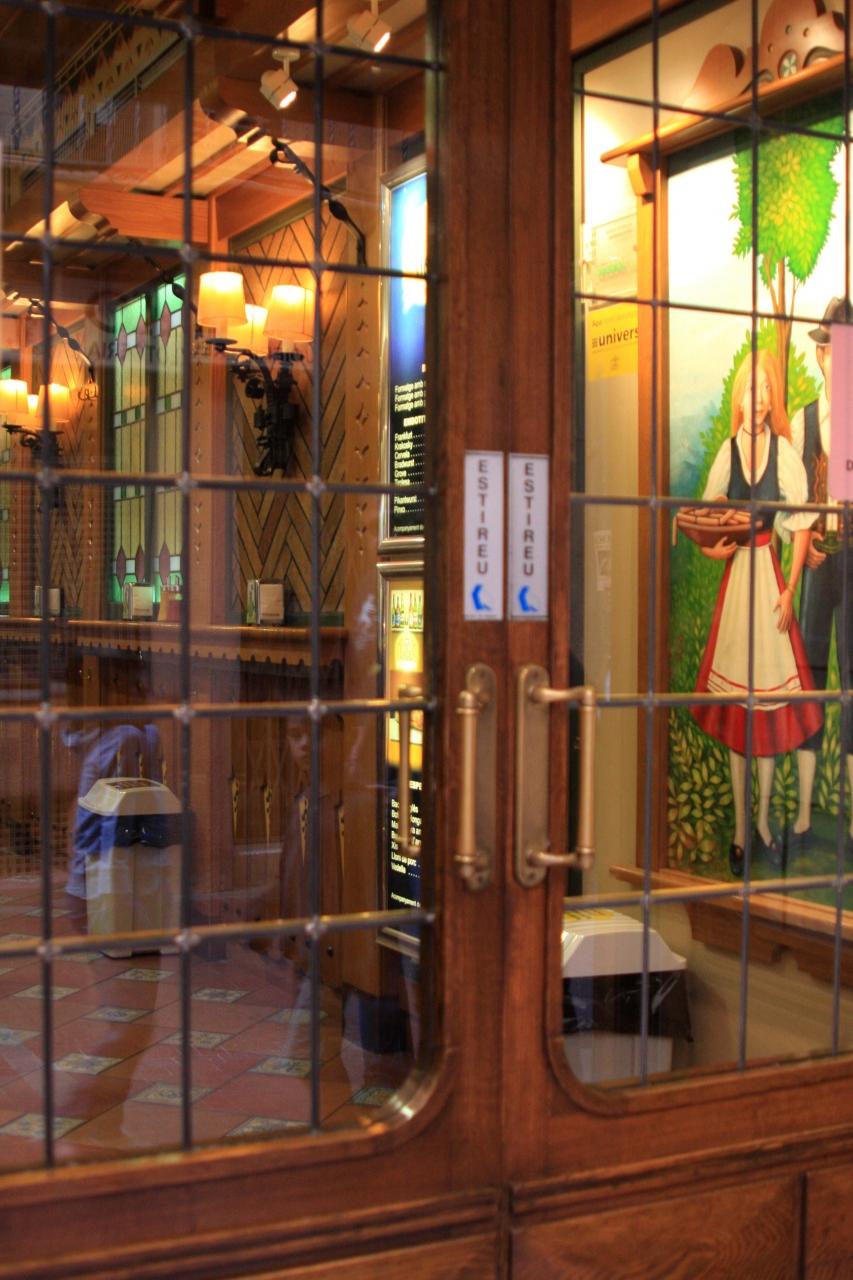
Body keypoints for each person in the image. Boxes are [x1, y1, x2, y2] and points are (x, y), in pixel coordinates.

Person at [692, 348, 821, 876]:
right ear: (739, 399)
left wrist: (790, 589)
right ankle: (743, 831)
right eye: (752, 389)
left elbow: (802, 522)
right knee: (738, 713)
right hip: (738, 583)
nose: (760, 398)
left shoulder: (784, 453)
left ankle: (764, 822)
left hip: (768, 580)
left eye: (767, 389)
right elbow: (704, 514)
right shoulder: (727, 453)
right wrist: (710, 550)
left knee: (767, 709)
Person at [790, 298, 853, 856]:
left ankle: (852, 819)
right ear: (821, 355)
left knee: (852, 677)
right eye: (833, 348)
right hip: (815, 562)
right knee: (809, 674)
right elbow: (789, 500)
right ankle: (805, 814)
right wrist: (802, 539)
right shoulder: (804, 420)